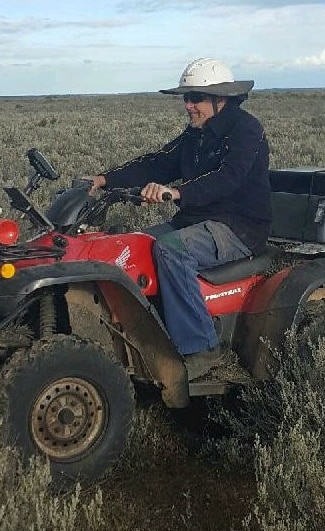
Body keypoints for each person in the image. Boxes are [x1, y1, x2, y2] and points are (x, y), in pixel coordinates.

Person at [86, 58, 271, 380]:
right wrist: (103, 180)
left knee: (170, 250)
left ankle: (201, 348)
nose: (188, 106)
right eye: (186, 98)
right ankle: (149, 334)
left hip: (237, 226)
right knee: (135, 247)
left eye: (196, 98)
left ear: (221, 99)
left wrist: (176, 193)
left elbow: (228, 177)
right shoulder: (195, 134)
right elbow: (158, 163)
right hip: (196, 221)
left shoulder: (246, 130)